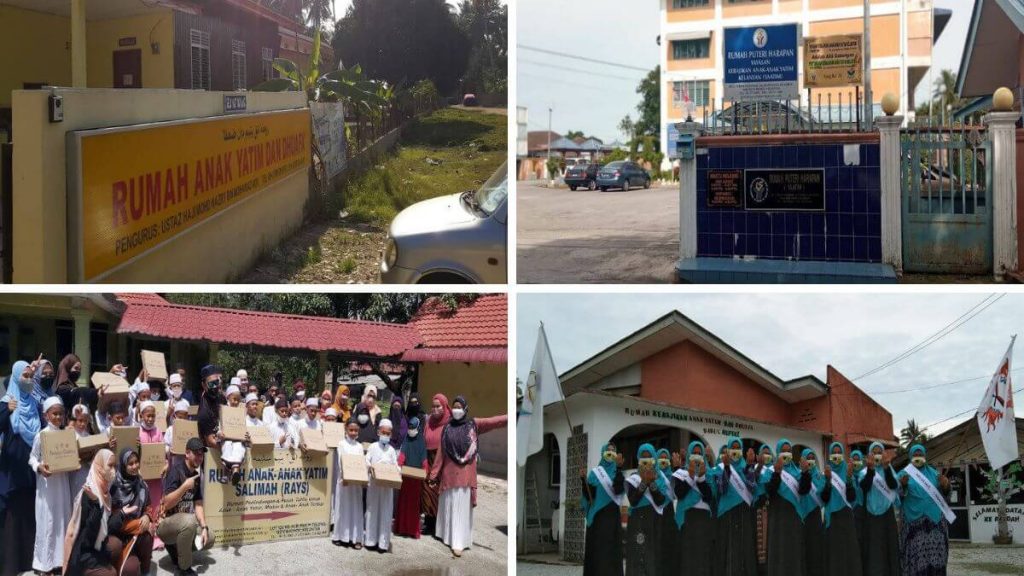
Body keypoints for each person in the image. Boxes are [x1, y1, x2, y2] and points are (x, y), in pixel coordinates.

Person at [429, 395, 507, 557]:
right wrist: (434, 474)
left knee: (460, 508)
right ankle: (447, 536)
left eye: (459, 406)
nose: (457, 409)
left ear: (465, 409)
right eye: (454, 406)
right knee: (449, 505)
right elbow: (441, 453)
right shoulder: (447, 428)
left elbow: (493, 421)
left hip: (465, 476)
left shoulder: (474, 425)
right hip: (448, 475)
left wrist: (510, 417)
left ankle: (458, 542)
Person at [1, 360, 41, 576]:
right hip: (13, 474)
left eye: (29, 376)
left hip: (31, 474)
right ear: (15, 377)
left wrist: (37, 369)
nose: (28, 380)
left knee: (29, 517)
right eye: (24, 376)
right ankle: (10, 566)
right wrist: (5, 411)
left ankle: (28, 561)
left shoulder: (34, 404)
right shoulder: (7, 402)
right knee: (13, 520)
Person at [62, 449, 129, 576]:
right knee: (110, 573)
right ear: (99, 467)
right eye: (110, 466)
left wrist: (121, 514)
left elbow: (106, 526)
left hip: (96, 544)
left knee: (116, 544)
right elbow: (88, 536)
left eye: (115, 466)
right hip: (84, 551)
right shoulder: (89, 493)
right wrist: (95, 505)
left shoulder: (104, 490)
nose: (113, 470)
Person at [157, 437, 215, 576]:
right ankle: (183, 569)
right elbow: (166, 503)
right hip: (166, 526)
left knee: (210, 537)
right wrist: (184, 487)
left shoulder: (195, 475)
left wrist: (204, 527)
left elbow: (199, 504)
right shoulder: (175, 471)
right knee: (189, 521)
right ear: (187, 453)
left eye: (201, 454)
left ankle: (177, 551)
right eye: (196, 453)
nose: (200, 457)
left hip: (182, 525)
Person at [30, 396, 73, 574]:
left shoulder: (66, 435)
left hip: (62, 485)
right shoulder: (41, 435)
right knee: (47, 523)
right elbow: (32, 457)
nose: (58, 417)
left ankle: (60, 561)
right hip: (47, 487)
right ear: (46, 415)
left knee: (62, 520)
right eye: (54, 414)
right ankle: (44, 564)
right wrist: (39, 467)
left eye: (61, 414)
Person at [897, 444, 951, 576]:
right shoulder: (903, 475)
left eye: (920, 454)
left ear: (925, 456)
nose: (918, 457)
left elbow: (946, 496)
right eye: (915, 455)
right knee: (915, 562)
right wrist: (902, 486)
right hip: (913, 526)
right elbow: (896, 498)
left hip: (935, 524)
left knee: (937, 560)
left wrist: (946, 486)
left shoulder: (935, 474)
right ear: (910, 456)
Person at [708, 436, 758, 576]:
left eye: (738, 448)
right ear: (728, 450)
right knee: (728, 549)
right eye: (733, 448)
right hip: (726, 515)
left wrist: (749, 466)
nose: (735, 451)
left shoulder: (747, 467)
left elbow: (753, 488)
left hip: (744, 513)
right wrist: (727, 468)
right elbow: (721, 489)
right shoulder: (720, 468)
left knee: (745, 548)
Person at [580, 441, 625, 576]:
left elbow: (618, 490)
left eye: (613, 451)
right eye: (608, 451)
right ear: (603, 453)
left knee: (611, 552)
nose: (610, 453)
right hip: (598, 519)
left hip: (612, 519)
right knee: (598, 552)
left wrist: (618, 469)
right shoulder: (595, 473)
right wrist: (583, 480)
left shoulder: (618, 473)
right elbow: (589, 497)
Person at [107, 448, 153, 575]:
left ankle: (145, 570)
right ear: (122, 465)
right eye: (130, 463)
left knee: (148, 535)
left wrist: (147, 516)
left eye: (136, 462)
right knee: (130, 569)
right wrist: (139, 524)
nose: (135, 466)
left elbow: (148, 506)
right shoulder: (114, 487)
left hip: (137, 533)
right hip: (119, 536)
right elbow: (113, 521)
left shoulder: (141, 484)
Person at [670, 441, 713, 576]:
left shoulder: (709, 473)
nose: (696, 456)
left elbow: (709, 496)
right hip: (687, 518)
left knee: (703, 555)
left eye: (699, 454)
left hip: (703, 519)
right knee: (688, 555)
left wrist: (700, 478)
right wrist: (690, 476)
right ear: (688, 455)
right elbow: (679, 493)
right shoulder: (681, 473)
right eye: (694, 453)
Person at [765, 438, 808, 576]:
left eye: (788, 451)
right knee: (778, 551)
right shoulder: (770, 471)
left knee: (793, 552)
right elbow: (770, 492)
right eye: (783, 451)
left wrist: (806, 473)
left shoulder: (797, 472)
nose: (786, 453)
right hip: (777, 518)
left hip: (793, 520)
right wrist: (777, 474)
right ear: (777, 453)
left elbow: (803, 491)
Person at [624, 443, 667, 576]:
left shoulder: (660, 478)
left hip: (654, 521)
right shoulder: (633, 478)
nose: (647, 460)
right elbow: (633, 501)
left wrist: (652, 483)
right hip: (637, 521)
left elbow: (660, 501)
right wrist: (643, 483)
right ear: (638, 458)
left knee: (652, 554)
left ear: (654, 458)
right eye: (643, 457)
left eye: (649, 457)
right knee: (637, 554)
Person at [822, 442, 863, 576]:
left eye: (840, 452)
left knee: (849, 551)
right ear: (830, 454)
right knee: (835, 553)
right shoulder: (827, 472)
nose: (837, 455)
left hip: (846, 517)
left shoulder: (848, 471)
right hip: (833, 518)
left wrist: (849, 479)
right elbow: (824, 498)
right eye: (834, 452)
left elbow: (852, 498)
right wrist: (828, 481)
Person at [859, 442, 900, 576]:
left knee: (889, 546)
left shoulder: (889, 470)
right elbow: (864, 487)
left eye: (879, 452)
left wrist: (886, 467)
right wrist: (871, 470)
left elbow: (893, 485)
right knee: (873, 548)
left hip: (887, 514)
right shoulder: (864, 472)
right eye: (874, 452)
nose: (877, 454)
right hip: (870, 514)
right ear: (870, 454)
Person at [135, 400, 165, 551]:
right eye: (147, 416)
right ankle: (147, 538)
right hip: (143, 477)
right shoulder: (137, 432)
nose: (150, 419)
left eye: (153, 416)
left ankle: (158, 537)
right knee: (145, 506)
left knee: (157, 505)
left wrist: (165, 464)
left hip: (156, 478)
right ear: (141, 416)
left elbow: (162, 451)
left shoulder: (158, 431)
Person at [365, 419, 399, 553]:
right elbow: (367, 460)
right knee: (372, 510)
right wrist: (371, 467)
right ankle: (370, 540)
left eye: (388, 433)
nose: (385, 435)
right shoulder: (373, 447)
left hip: (386, 487)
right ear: (379, 432)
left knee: (385, 512)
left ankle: (383, 543)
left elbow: (396, 465)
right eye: (383, 432)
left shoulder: (391, 450)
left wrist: (397, 471)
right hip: (374, 485)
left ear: (391, 434)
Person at [331, 418, 366, 548]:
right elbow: (340, 462)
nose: (353, 432)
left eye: (356, 430)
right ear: (346, 429)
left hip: (356, 484)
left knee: (356, 508)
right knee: (343, 508)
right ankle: (340, 536)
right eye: (351, 430)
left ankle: (356, 538)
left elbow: (362, 464)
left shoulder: (359, 446)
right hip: (344, 482)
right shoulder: (341, 444)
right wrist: (345, 476)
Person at [422, 393, 451, 534]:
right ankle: (429, 522)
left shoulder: (449, 424)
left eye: (438, 406)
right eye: (433, 406)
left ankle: (438, 524)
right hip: (428, 459)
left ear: (444, 406)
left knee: (438, 492)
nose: (435, 409)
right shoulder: (429, 422)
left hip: (442, 461)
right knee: (427, 491)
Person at [395, 415, 427, 538]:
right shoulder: (406, 439)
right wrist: (399, 465)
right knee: (403, 502)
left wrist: (425, 470)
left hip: (416, 479)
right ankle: (401, 528)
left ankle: (412, 530)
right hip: (406, 476)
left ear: (418, 428)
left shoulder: (421, 441)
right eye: (410, 427)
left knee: (414, 505)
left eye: (413, 427)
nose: (411, 429)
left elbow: (424, 458)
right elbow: (402, 454)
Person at [800, 448, 827, 576]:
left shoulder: (819, 475)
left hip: (816, 516)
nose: (810, 460)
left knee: (816, 548)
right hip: (804, 517)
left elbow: (824, 494)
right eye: (808, 457)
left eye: (812, 457)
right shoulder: (799, 475)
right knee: (805, 548)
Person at [219, 385, 247, 484]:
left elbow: (245, 428)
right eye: (234, 399)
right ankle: (225, 474)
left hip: (239, 440)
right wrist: (220, 434)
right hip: (226, 439)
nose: (236, 402)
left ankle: (236, 472)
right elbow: (219, 427)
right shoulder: (223, 411)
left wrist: (245, 436)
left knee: (239, 448)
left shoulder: (242, 413)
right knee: (227, 446)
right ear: (228, 398)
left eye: (238, 400)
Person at [69, 404, 98, 497]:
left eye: (85, 421)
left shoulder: (89, 436)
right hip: (74, 474)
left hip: (86, 472)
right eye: (80, 420)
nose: (82, 424)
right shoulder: (69, 434)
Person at [196, 365, 224, 450]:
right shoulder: (204, 412)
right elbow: (211, 442)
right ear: (204, 385)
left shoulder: (220, 398)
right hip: (212, 454)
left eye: (216, 382)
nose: (215, 387)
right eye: (211, 384)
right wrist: (228, 452)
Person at [163, 400, 191, 470]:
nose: (182, 420)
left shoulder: (190, 430)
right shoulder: (170, 430)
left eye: (184, 418)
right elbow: (165, 445)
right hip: (173, 463)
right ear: (175, 416)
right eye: (180, 417)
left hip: (187, 463)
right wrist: (170, 450)